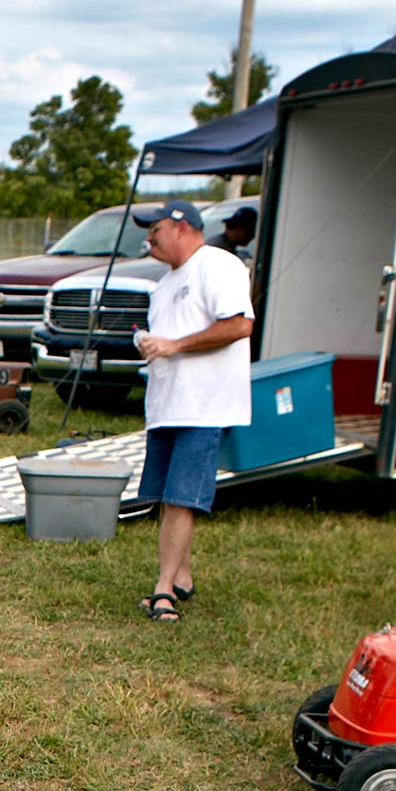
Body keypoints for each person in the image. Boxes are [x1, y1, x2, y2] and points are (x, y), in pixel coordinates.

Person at [129, 198, 254, 623]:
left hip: (204, 405)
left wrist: (175, 345)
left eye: (155, 230)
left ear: (182, 227)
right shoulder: (163, 284)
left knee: (182, 500)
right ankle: (181, 575)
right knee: (168, 498)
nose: (149, 239)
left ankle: (163, 591)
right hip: (167, 404)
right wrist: (152, 344)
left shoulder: (217, 265)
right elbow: (170, 337)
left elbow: (239, 325)